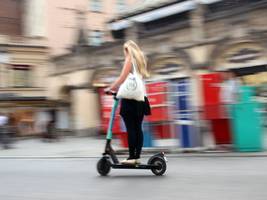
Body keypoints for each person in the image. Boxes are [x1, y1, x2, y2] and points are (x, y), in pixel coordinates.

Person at [105, 40, 151, 165]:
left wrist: (110, 88)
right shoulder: (141, 61)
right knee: (138, 128)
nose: (125, 54)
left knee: (131, 128)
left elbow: (122, 77)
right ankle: (136, 156)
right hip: (141, 99)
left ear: (127, 50)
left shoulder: (129, 59)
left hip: (130, 100)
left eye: (125, 52)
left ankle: (131, 158)